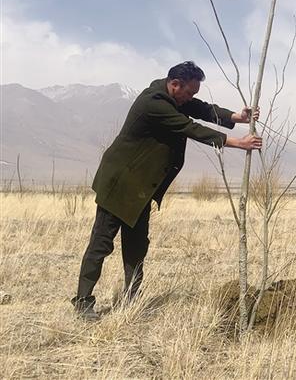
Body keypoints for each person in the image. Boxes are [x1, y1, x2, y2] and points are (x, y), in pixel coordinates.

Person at [72, 61, 261, 320]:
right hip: (120, 184)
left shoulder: (176, 98)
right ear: (175, 84)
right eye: (189, 92)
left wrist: (237, 117)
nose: (191, 98)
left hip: (140, 188)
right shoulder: (154, 103)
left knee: (137, 245)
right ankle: (83, 301)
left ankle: (132, 298)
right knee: (101, 244)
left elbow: (203, 110)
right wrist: (239, 143)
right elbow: (191, 128)